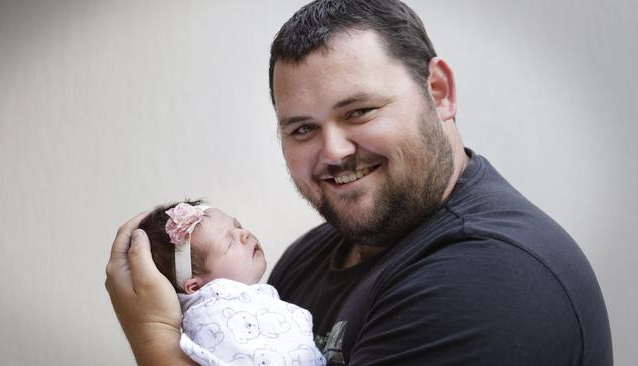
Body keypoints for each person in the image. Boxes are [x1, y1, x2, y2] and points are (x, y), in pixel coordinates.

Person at [105, 0, 613, 365]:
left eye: (360, 111)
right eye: (302, 128)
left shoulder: (491, 278)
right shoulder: (315, 253)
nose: (333, 151)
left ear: (437, 92)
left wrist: (155, 341)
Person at [137, 200, 325, 366]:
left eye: (238, 226)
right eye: (229, 244)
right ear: (196, 287)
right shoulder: (213, 317)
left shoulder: (256, 299)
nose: (244, 234)